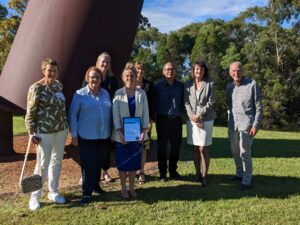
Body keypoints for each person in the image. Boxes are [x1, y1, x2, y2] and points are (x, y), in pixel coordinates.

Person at [25, 58, 68, 211]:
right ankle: (34, 197)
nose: (52, 73)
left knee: (56, 162)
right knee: (42, 165)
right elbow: (30, 113)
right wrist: (31, 133)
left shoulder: (58, 85)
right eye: (49, 70)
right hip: (44, 132)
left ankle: (53, 192)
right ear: (43, 70)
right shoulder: (36, 88)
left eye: (55, 71)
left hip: (61, 130)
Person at [69, 66, 111, 204]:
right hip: (86, 135)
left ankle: (96, 186)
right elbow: (73, 115)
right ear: (87, 78)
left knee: (99, 162)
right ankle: (86, 193)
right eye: (92, 77)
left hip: (103, 135)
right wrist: (74, 135)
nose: (95, 79)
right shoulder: (80, 94)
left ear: (101, 79)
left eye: (97, 77)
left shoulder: (105, 94)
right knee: (88, 164)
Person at [112, 63, 149, 198]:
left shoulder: (142, 93)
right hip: (121, 135)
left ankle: (132, 188)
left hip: (137, 135)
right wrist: (119, 132)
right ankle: (123, 188)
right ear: (123, 78)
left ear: (136, 77)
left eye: (132, 76)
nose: (129, 78)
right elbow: (115, 114)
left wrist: (143, 131)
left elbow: (146, 113)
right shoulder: (118, 93)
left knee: (134, 162)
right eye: (127, 76)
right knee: (123, 163)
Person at [226, 61, 263, 190]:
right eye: (234, 71)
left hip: (247, 125)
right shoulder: (229, 87)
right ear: (230, 73)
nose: (236, 73)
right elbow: (230, 106)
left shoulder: (252, 85)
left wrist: (255, 125)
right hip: (233, 125)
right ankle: (239, 173)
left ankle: (246, 181)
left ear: (243, 71)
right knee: (235, 151)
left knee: (244, 152)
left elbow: (259, 107)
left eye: (239, 70)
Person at [184, 60, 216, 187]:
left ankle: (204, 175)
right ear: (193, 70)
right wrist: (193, 117)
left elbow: (211, 101)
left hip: (206, 118)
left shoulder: (210, 84)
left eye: (201, 69)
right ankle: (197, 174)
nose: (199, 71)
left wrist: (199, 116)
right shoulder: (188, 84)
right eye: (197, 69)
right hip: (191, 119)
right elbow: (186, 102)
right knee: (195, 148)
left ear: (204, 71)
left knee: (203, 148)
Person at [154, 62, 184, 182]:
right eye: (167, 69)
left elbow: (184, 101)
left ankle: (173, 171)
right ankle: (162, 172)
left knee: (175, 147)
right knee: (162, 147)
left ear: (175, 71)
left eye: (172, 69)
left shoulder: (181, 86)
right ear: (163, 71)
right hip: (162, 120)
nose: (169, 71)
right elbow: (154, 103)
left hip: (176, 120)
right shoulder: (158, 86)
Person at [95, 52, 119, 183]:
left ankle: (105, 172)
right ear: (98, 63)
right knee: (93, 146)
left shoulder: (113, 81)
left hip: (108, 118)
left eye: (107, 62)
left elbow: (116, 99)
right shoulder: (91, 77)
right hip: (94, 119)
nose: (105, 64)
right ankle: (91, 172)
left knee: (105, 147)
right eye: (103, 62)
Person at [134, 61, 154, 184]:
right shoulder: (127, 84)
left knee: (143, 147)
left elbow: (151, 104)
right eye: (137, 69)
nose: (139, 71)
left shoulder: (148, 86)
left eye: (142, 69)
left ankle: (141, 171)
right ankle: (131, 171)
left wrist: (150, 120)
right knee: (132, 146)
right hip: (130, 122)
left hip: (144, 122)